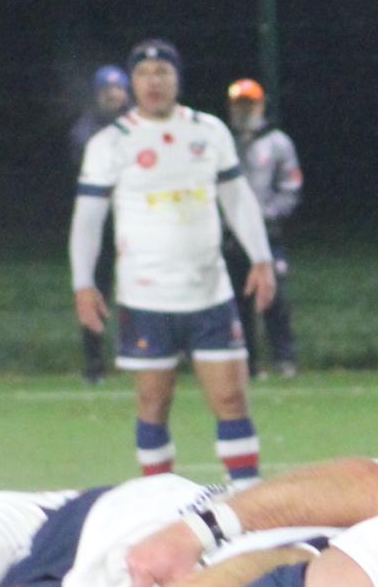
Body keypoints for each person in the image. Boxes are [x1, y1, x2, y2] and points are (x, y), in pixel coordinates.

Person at [72, 39, 276, 482]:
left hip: (209, 293)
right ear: (132, 83)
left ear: (177, 79)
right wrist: (83, 283)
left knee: (231, 400)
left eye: (163, 72)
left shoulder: (208, 131)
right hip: (145, 297)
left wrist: (261, 258)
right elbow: (88, 219)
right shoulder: (111, 142)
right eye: (144, 74)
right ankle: (159, 500)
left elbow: (237, 199)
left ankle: (247, 497)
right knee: (153, 404)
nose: (154, 82)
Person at [224, 78, 303, 378]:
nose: (244, 110)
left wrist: (265, 216)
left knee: (275, 298)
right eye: (239, 104)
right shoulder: (222, 142)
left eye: (250, 103)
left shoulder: (278, 143)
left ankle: (285, 359)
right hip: (231, 237)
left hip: (268, 235)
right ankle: (249, 362)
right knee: (239, 301)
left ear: (261, 105)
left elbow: (290, 188)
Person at [70, 65, 127, 384]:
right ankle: (94, 363)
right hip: (102, 224)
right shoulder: (86, 131)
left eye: (117, 89)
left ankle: (143, 353)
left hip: (133, 220)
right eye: (107, 90)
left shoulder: (138, 126)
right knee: (95, 290)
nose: (113, 95)